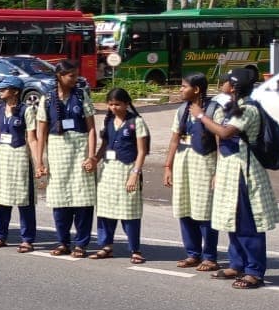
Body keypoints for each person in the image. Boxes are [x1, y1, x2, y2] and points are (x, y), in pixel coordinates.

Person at [196, 67, 279, 289]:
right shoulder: (233, 106)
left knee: (247, 223)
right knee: (230, 219)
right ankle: (237, 263)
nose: (222, 82)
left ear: (233, 87)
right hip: (228, 169)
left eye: (226, 80)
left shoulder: (248, 109)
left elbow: (225, 133)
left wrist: (200, 116)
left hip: (244, 171)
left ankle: (254, 271)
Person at [36, 60, 97, 257]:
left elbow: (91, 129)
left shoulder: (81, 96)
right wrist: (39, 161)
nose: (75, 78)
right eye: (71, 75)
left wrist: (91, 156)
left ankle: (81, 243)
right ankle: (63, 241)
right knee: (60, 200)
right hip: (57, 152)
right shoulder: (46, 99)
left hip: (80, 152)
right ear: (59, 76)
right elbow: (41, 133)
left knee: (83, 201)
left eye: (76, 74)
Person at [162, 73, 221, 271]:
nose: (180, 90)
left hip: (204, 165)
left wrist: (218, 171)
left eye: (183, 86)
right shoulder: (181, 110)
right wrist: (168, 166)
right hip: (183, 164)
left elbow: (220, 141)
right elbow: (174, 139)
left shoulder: (213, 110)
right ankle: (192, 253)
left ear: (196, 89)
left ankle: (210, 257)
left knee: (204, 211)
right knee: (185, 209)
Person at [90, 88, 150, 263]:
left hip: (127, 170)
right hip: (108, 171)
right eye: (110, 104)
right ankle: (106, 246)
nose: (114, 107)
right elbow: (104, 146)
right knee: (105, 211)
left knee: (129, 211)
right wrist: (94, 159)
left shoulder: (136, 122)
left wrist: (134, 174)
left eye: (117, 104)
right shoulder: (108, 121)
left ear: (126, 104)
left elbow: (142, 151)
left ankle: (135, 249)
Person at [0, 77, 40, 252]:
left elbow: (32, 138)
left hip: (19, 156)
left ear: (15, 91)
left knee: (24, 200)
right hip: (1, 156)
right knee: (0, 198)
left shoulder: (27, 110)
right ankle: (0, 235)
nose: (0, 91)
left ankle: (27, 239)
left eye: (4, 88)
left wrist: (39, 163)